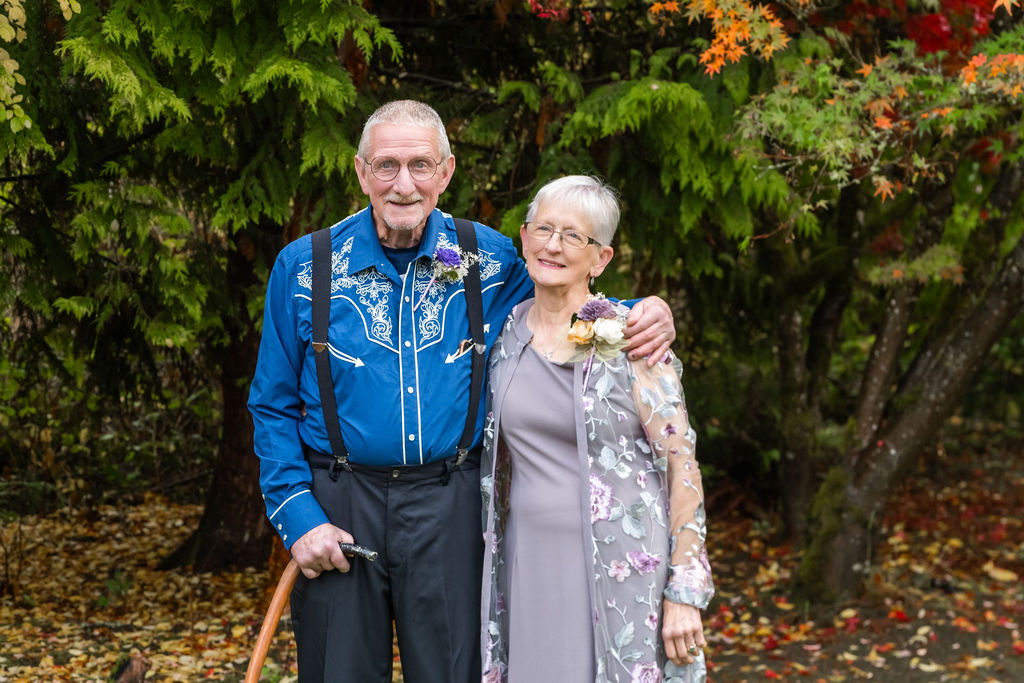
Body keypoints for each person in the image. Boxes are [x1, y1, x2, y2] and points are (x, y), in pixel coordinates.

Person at [247, 101, 677, 683]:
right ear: (360, 172)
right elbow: (272, 405)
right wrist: (299, 518)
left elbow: (566, 299)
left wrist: (642, 313)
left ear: (446, 173)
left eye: (421, 166)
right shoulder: (305, 269)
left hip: (449, 508)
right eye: (387, 166)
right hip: (337, 506)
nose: (404, 185)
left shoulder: (487, 261)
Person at [480, 175, 714, 683]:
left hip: (625, 569)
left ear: (601, 258)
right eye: (544, 229)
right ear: (523, 237)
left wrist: (685, 590)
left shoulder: (634, 342)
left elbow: (683, 467)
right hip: (528, 567)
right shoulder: (502, 338)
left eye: (573, 236)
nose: (553, 245)